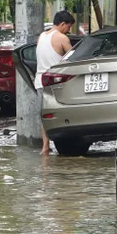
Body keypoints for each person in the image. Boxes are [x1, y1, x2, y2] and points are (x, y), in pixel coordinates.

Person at [34, 11, 75, 156]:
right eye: (68, 27)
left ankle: (45, 147)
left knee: (45, 116)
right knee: (64, 112)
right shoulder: (62, 38)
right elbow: (73, 60)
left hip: (40, 81)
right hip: (56, 82)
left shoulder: (42, 36)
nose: (69, 31)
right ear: (63, 24)